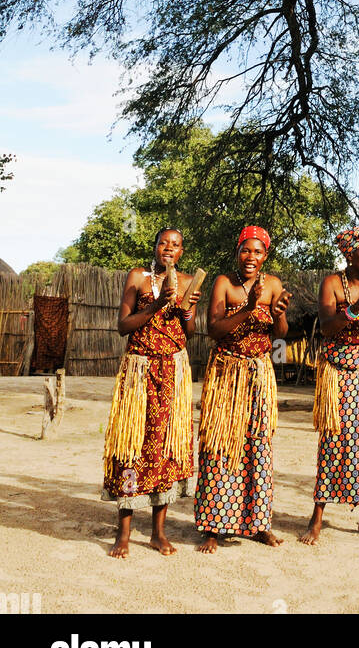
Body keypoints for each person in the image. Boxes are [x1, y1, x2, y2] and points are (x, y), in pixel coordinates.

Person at [103, 227, 202, 557]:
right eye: (163, 243)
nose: (168, 249)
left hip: (172, 371)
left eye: (175, 245)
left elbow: (188, 332)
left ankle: (158, 532)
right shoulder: (138, 277)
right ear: (156, 246)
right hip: (139, 369)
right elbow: (123, 326)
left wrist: (187, 312)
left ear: (181, 251)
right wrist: (157, 305)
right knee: (132, 447)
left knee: (165, 448)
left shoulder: (188, 282)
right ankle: (124, 533)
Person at [194, 225, 290, 552]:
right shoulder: (224, 283)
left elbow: (280, 336)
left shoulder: (274, 285)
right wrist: (249, 308)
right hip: (226, 373)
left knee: (258, 447)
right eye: (246, 250)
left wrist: (278, 315)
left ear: (266, 255)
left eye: (258, 251)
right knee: (220, 444)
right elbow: (213, 329)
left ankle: (258, 524)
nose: (251, 257)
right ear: (237, 252)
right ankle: (212, 526)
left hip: (260, 373)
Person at [300, 226, 359, 546]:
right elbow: (327, 328)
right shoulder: (331, 283)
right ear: (349, 254)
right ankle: (317, 518)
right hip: (338, 373)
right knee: (334, 440)